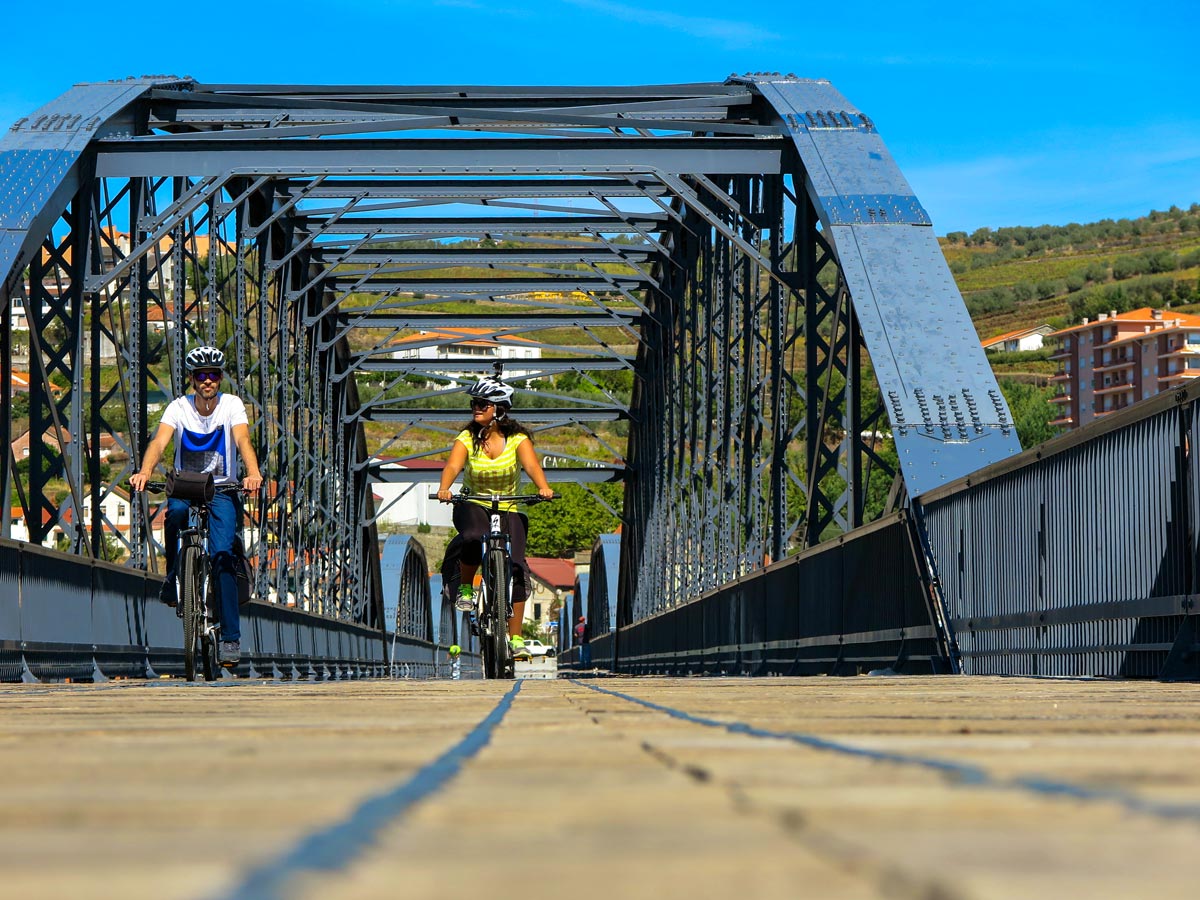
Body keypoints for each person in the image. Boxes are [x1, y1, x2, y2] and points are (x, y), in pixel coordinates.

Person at [131, 346, 264, 666]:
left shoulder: (231, 405)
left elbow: (243, 440)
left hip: (222, 489)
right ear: (192, 379)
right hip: (186, 485)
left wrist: (253, 472)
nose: (208, 381)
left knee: (222, 557)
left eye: (214, 375)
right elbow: (159, 442)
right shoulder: (179, 408)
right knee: (174, 513)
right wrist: (146, 471)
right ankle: (175, 574)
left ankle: (231, 639)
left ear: (219, 379)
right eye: (202, 375)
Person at [436, 375, 553, 658]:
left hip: (509, 505)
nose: (476, 408)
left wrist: (543, 487)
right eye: (475, 403)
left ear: (499, 409)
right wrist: (444, 488)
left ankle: (515, 639)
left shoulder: (517, 439)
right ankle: (466, 587)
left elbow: (531, 465)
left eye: (482, 404)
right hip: (473, 502)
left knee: (517, 566)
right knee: (473, 536)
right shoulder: (466, 438)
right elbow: (453, 465)